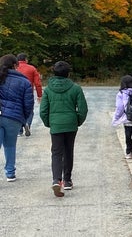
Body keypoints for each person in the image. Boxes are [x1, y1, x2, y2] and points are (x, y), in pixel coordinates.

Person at [40, 61, 88, 197]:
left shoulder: (48, 90)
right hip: (71, 124)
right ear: (68, 73)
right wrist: (77, 121)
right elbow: (83, 109)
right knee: (68, 150)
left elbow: (43, 110)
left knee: (56, 152)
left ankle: (56, 180)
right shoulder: (76, 88)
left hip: (56, 124)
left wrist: (49, 123)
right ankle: (67, 181)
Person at [0, 54, 34, 182]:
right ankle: (10, 173)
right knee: (10, 146)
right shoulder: (24, 81)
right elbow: (28, 103)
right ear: (16, 66)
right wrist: (23, 119)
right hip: (13, 118)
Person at [111, 75, 132, 160]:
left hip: (128, 118)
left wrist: (116, 119)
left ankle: (129, 153)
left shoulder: (121, 93)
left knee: (128, 136)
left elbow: (120, 108)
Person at [16, 53, 42, 137]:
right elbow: (37, 83)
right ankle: (27, 124)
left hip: (15, 92)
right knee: (29, 110)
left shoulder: (14, 68)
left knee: (18, 110)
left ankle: (19, 131)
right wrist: (39, 95)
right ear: (26, 59)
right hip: (28, 92)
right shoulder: (32, 68)